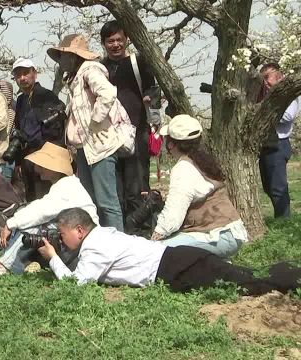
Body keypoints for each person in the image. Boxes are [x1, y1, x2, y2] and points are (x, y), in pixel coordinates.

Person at [29, 208, 301, 297]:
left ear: (78, 230)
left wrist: (53, 258)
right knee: (244, 277)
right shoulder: (99, 236)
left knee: (250, 282)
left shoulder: (96, 247)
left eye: (62, 234)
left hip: (176, 267)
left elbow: (76, 286)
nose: (61, 240)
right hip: (177, 259)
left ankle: (294, 277)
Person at [0, 142, 99, 279]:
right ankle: (25, 263)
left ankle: (4, 266)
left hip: (81, 246)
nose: (37, 169)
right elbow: (40, 206)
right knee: (29, 221)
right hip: (73, 241)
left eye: (42, 166)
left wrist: (10, 224)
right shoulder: (65, 184)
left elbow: (41, 211)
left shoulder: (67, 187)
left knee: (35, 226)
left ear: (54, 168)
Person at [48, 34, 124, 231]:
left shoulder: (90, 71)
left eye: (63, 56)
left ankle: (119, 246)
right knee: (90, 202)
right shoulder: (75, 79)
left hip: (99, 146)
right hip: (85, 147)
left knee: (107, 203)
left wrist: (95, 122)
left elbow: (107, 93)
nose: (61, 61)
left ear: (74, 56)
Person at [149, 115, 248, 259]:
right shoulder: (201, 161)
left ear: (171, 144)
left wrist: (155, 238)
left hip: (217, 236)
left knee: (157, 253)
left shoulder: (183, 168)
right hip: (229, 232)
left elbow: (173, 215)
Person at [100, 21, 158, 232]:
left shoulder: (138, 63)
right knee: (115, 190)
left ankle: (143, 232)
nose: (115, 45)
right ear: (104, 43)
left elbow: (153, 87)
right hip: (109, 137)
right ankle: (122, 232)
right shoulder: (100, 67)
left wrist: (150, 97)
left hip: (136, 133)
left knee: (137, 188)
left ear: (126, 40)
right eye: (110, 41)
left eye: (119, 40)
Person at [11, 58, 66, 201]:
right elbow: (18, 130)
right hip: (27, 156)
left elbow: (56, 130)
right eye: (18, 75)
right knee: (31, 198)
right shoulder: (21, 100)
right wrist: (18, 161)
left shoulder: (46, 96)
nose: (22, 78)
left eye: (25, 73)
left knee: (46, 198)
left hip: (45, 156)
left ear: (34, 73)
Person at [258, 63, 300, 218]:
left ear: (279, 76)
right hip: (266, 143)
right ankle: (281, 217)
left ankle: (284, 221)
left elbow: (288, 116)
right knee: (268, 186)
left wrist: (265, 109)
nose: (265, 83)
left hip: (279, 144)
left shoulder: (290, 93)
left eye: (267, 78)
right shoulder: (265, 94)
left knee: (278, 187)